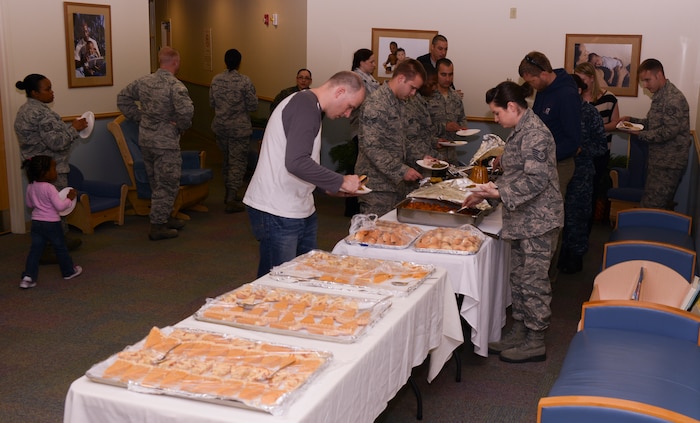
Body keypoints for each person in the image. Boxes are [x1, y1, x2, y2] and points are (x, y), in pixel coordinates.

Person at [462, 80, 563, 363]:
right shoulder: (519, 131)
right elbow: (513, 177)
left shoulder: (535, 135)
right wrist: (487, 195)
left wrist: (496, 191)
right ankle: (521, 329)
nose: (495, 119)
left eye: (496, 113)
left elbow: (536, 181)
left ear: (511, 106)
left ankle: (535, 339)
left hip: (539, 222)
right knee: (518, 279)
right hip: (522, 219)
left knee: (534, 282)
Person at [243, 71, 365, 277]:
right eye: (350, 106)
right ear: (340, 91)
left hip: (298, 207)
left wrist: (328, 186)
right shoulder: (305, 104)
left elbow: (303, 162)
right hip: (278, 210)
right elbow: (296, 162)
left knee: (304, 276)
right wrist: (340, 181)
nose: (347, 114)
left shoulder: (310, 105)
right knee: (278, 283)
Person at [117, 47, 194, 240]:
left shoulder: (144, 82)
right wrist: (180, 127)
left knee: (156, 182)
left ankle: (165, 216)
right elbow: (186, 112)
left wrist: (140, 118)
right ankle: (158, 226)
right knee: (167, 184)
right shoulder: (176, 86)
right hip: (165, 143)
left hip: (146, 141)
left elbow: (122, 98)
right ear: (175, 63)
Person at [14, 73, 87, 252]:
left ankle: (60, 239)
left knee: (46, 207)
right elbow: (56, 143)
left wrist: (68, 127)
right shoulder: (39, 113)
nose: (52, 93)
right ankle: (52, 246)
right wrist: (74, 129)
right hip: (48, 170)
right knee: (54, 208)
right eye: (47, 89)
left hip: (36, 168)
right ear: (34, 93)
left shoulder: (25, 110)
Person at [356, 59, 426, 216]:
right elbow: (372, 147)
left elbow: (401, 139)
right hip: (377, 186)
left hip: (394, 184)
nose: (413, 93)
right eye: (412, 88)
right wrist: (402, 170)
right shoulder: (377, 103)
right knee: (375, 235)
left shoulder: (399, 102)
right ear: (401, 78)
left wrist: (423, 157)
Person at [619, 58, 691, 210]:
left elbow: (669, 131)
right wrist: (631, 120)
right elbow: (652, 123)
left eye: (647, 80)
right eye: (642, 81)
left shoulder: (673, 99)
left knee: (652, 207)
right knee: (656, 205)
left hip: (668, 164)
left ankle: (646, 234)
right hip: (659, 162)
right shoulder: (660, 96)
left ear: (659, 75)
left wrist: (640, 134)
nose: (645, 85)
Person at [558, 74, 607, 274]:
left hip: (582, 175)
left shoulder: (590, 113)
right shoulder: (559, 112)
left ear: (578, 91)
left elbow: (601, 146)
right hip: (559, 173)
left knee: (577, 218)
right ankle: (560, 257)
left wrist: (581, 149)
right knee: (560, 217)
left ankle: (575, 258)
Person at [518, 51, 581, 197]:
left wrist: (541, 156)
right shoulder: (543, 88)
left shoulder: (567, 95)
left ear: (544, 74)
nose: (531, 86)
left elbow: (573, 141)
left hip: (559, 164)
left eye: (531, 82)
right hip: (541, 160)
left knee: (549, 211)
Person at [20, 156, 83, 289]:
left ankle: (28, 277)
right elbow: (60, 207)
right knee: (60, 248)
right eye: (53, 168)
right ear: (44, 173)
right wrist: (69, 198)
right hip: (52, 224)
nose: (56, 171)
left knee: (35, 250)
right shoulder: (49, 188)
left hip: (36, 223)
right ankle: (68, 272)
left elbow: (29, 204)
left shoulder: (31, 186)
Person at [209, 48, 258, 213]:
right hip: (239, 129)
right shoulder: (244, 81)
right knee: (237, 162)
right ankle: (231, 196)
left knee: (227, 160)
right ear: (239, 62)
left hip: (221, 127)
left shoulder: (216, 80)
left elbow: (211, 103)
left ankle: (228, 191)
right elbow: (253, 105)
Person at [575, 61, 620, 221]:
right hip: (578, 155)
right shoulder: (575, 99)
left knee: (592, 191)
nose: (580, 83)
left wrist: (598, 129)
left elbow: (615, 123)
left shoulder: (608, 98)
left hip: (600, 152)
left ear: (592, 78)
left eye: (583, 79)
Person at [346, 48, 381, 216]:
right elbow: (368, 103)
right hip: (360, 128)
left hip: (368, 129)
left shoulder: (369, 79)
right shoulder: (357, 79)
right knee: (359, 168)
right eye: (371, 62)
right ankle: (352, 206)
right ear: (361, 63)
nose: (374, 65)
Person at [426, 58, 468, 163]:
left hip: (451, 155)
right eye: (443, 75)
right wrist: (444, 127)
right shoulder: (427, 96)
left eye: (451, 74)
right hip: (431, 155)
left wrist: (461, 128)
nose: (448, 79)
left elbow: (462, 119)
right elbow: (421, 128)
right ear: (436, 74)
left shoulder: (456, 97)